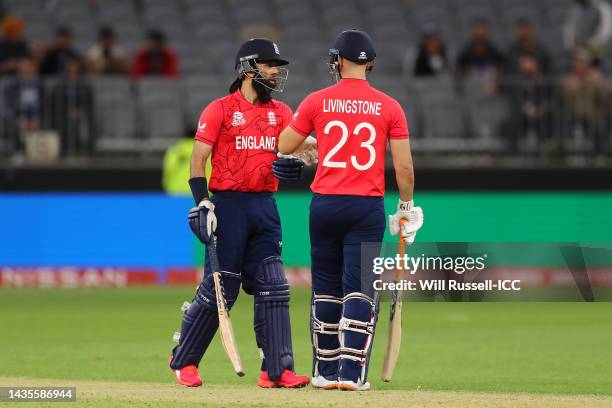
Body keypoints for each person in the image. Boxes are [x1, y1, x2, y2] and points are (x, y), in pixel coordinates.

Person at [277, 29, 424, 391]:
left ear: (339, 61)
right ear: (369, 63)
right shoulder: (389, 106)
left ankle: (324, 373)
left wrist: (314, 143)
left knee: (326, 287)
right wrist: (406, 207)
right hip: (367, 208)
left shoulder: (316, 101)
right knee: (359, 290)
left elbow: (284, 145)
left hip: (325, 204)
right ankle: (350, 374)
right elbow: (404, 168)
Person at [168, 38, 309, 389]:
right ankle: (183, 360)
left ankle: (277, 369)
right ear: (249, 68)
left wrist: (300, 162)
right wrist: (203, 202)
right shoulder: (219, 109)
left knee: (274, 286)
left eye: (278, 66)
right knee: (221, 288)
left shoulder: (282, 112)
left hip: (264, 207)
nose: (276, 72)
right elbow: (198, 159)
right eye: (269, 64)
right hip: (228, 205)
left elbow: (306, 151)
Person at [560, 47, 610, 154]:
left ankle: (600, 154)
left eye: (582, 62)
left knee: (600, 126)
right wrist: (572, 88)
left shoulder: (595, 78)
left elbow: (604, 97)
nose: (579, 65)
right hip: (573, 116)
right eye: (577, 62)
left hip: (592, 116)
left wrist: (598, 82)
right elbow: (564, 99)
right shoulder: (568, 80)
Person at [50, 58, 95, 155]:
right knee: (63, 123)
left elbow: (89, 106)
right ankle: (64, 150)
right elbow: (56, 105)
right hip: (63, 117)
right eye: (70, 72)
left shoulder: (85, 87)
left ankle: (82, 149)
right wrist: (68, 111)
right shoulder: (59, 86)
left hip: (80, 117)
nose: (73, 74)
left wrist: (79, 111)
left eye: (75, 72)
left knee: (82, 125)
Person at [564, 0, 612, 67]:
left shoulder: (602, 8)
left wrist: (592, 43)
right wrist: (571, 45)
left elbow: (605, 30)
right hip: (580, 48)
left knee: (595, 67)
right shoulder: (576, 9)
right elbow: (569, 27)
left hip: (596, 47)